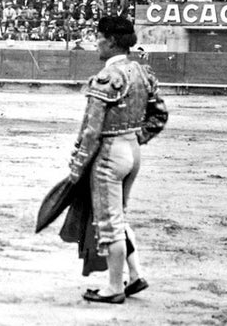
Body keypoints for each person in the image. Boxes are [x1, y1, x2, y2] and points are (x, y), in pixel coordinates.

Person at [65, 16, 167, 304]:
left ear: (110, 40)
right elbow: (159, 116)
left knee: (109, 222)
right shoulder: (142, 72)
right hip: (133, 151)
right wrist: (135, 138)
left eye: (98, 36)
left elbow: (91, 130)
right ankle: (134, 276)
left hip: (110, 155)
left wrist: (76, 166)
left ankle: (113, 287)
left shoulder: (106, 78)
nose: (96, 42)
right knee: (119, 216)